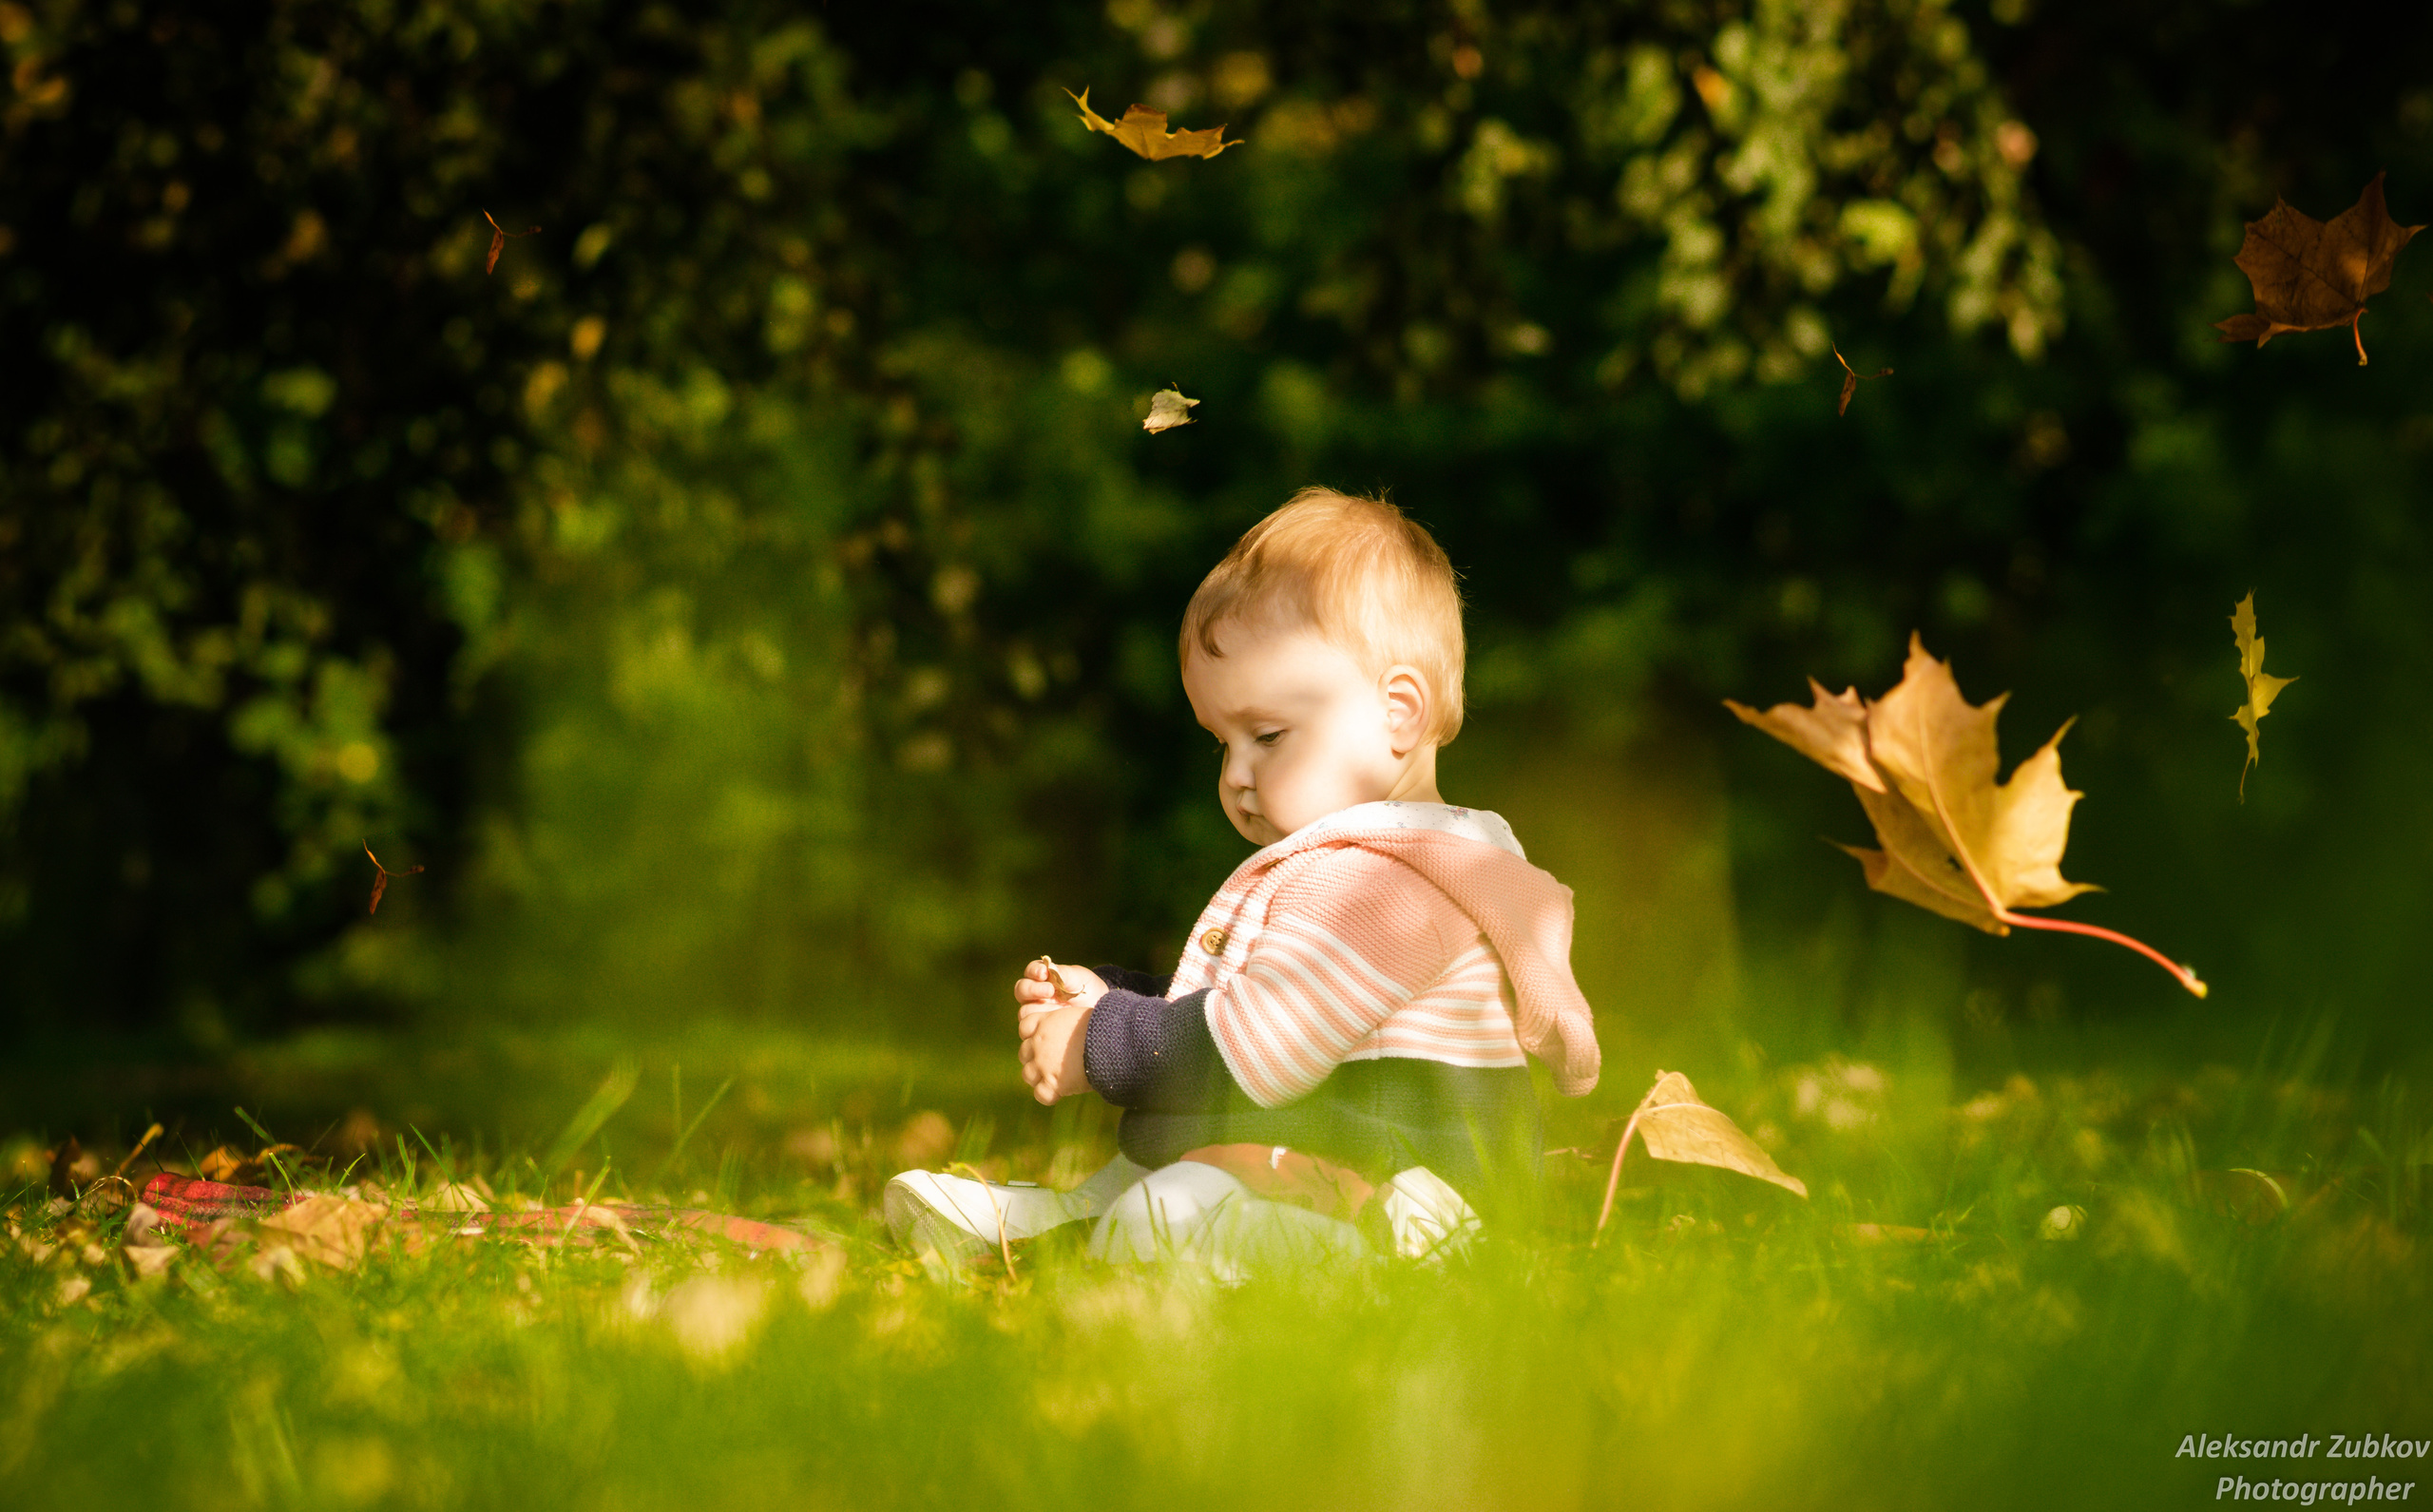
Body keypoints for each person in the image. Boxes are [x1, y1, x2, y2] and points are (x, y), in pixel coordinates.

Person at [885, 488, 1600, 1278]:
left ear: (1398, 712)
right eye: (1222, 742)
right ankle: (1075, 1219)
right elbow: (1244, 1006)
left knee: (1175, 1207)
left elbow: (1256, 1046)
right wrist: (1110, 996)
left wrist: (1101, 1039)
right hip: (1312, 1163)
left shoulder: (1393, 887)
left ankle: (1301, 1259)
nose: (1235, 775)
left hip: (1408, 1203)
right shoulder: (1356, 861)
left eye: (1266, 734)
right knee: (1183, 1182)